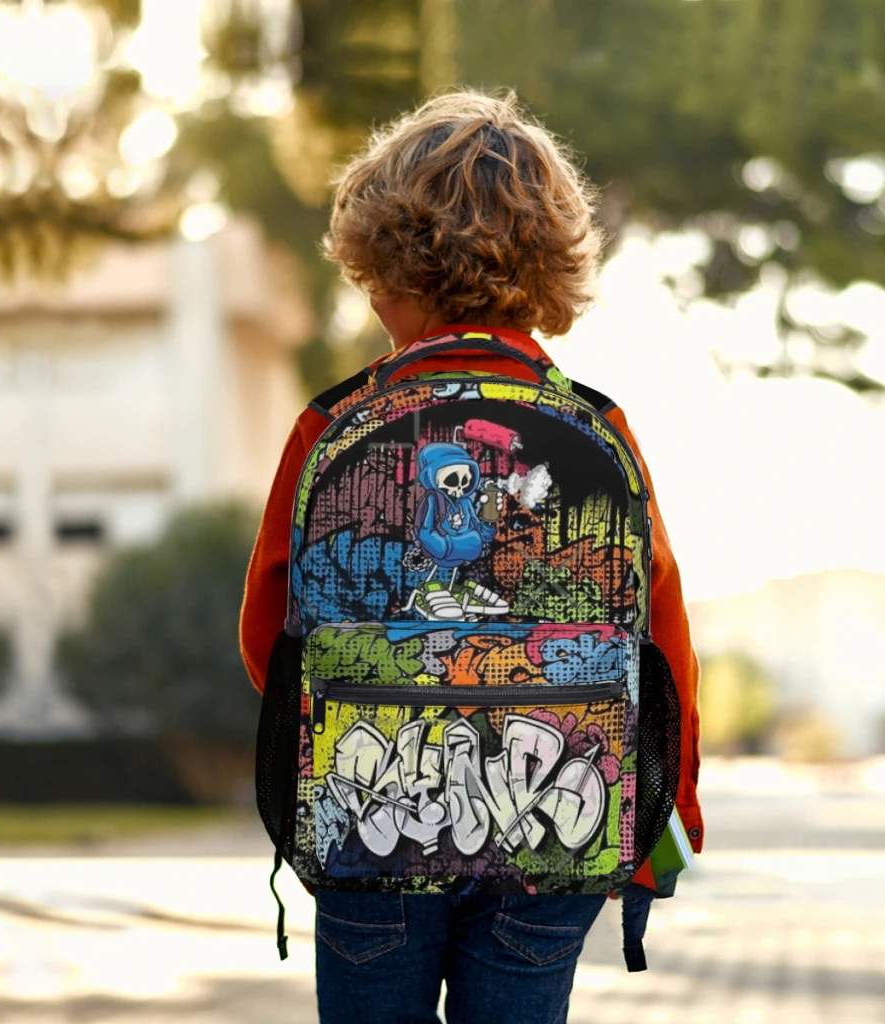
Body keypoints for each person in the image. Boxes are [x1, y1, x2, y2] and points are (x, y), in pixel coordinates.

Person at [241, 88, 702, 1024]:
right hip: (555, 819)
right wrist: (667, 813)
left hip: (371, 815)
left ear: (384, 269)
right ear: (551, 269)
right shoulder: (598, 427)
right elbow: (660, 637)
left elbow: (267, 637)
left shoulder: (333, 426)